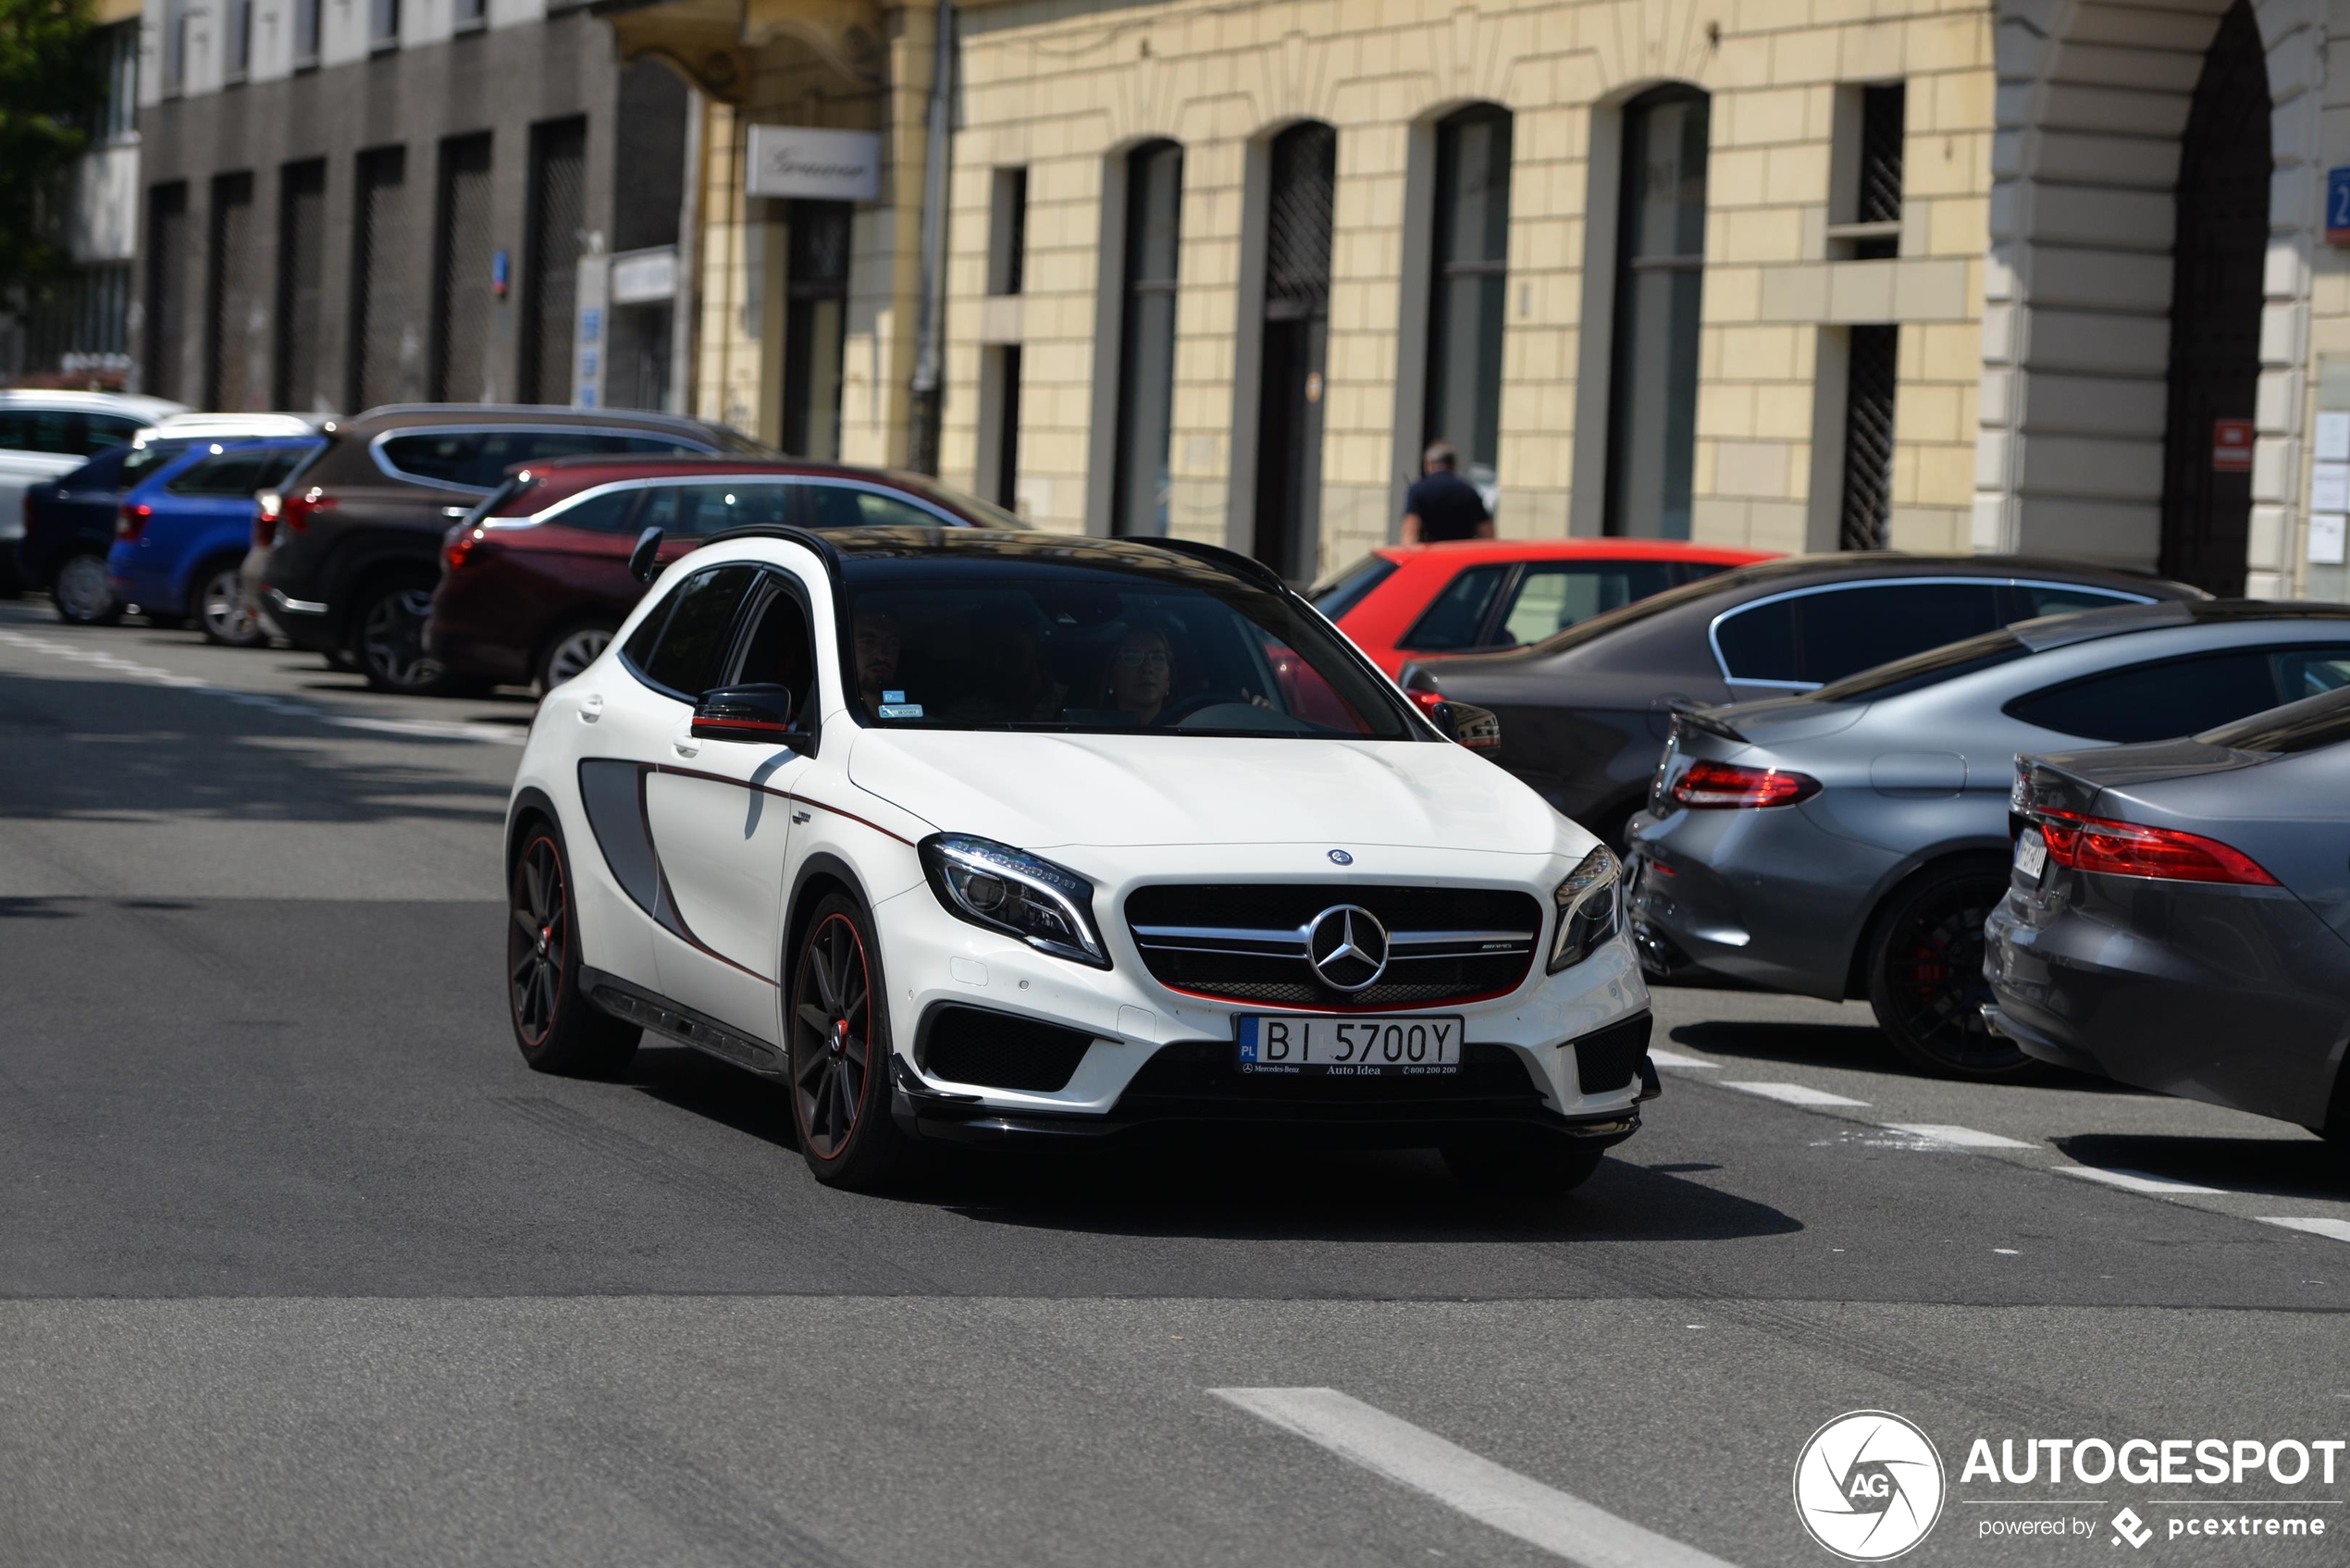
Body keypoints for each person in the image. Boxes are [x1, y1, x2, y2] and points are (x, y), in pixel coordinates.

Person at [1401, 440, 1493, 545]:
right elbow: (1487, 534)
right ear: (1454, 464)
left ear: (1428, 463)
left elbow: (1410, 533)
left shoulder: (1417, 490)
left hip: (1429, 556)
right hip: (1460, 556)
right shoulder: (1468, 491)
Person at [1106, 623, 1174, 725]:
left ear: (1168, 680)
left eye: (1158, 658)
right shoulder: (1087, 733)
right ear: (1112, 677)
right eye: (1133, 658)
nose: (1147, 668)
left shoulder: (1190, 732)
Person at [852, 610, 902, 712]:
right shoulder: (821, 719)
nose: (881, 656)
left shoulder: (926, 725)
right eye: (868, 642)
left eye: (892, 643)